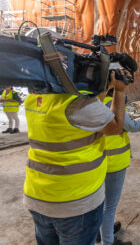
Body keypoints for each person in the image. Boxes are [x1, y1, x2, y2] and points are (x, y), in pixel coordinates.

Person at [23, 71, 130, 245]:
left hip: (37, 197)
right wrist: (119, 90)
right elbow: (116, 126)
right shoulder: (77, 105)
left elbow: (90, 108)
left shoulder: (33, 100)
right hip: (74, 204)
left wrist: (107, 87)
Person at [99, 88, 140, 245]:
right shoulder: (113, 103)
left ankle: (101, 231)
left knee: (99, 202)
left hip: (97, 160)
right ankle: (107, 241)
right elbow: (134, 126)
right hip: (113, 162)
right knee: (109, 205)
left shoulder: (95, 103)